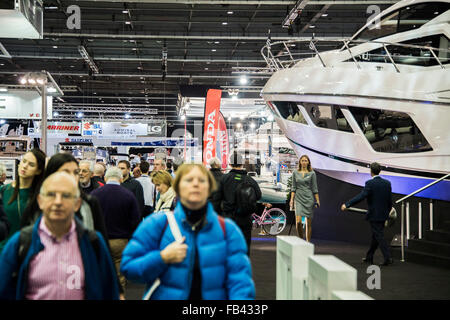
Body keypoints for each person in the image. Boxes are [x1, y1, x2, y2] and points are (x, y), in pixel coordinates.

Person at [120, 163, 255, 300]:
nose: (195, 184)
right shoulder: (157, 224)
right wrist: (162, 257)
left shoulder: (228, 230)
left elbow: (241, 283)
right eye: (188, 180)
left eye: (201, 180)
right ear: (177, 187)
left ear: (209, 189)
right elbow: (129, 267)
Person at [0, 172, 119, 300]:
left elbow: (109, 291)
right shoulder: (20, 243)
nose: (58, 202)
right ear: (40, 201)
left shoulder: (93, 242)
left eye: (66, 196)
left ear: (77, 204)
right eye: (51, 195)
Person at [91, 167, 141, 292]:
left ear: (105, 178)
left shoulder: (95, 194)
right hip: (121, 241)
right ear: (121, 179)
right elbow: (135, 221)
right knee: (120, 276)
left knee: (100, 273)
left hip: (99, 240)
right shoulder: (128, 196)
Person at [341, 162, 393, 266]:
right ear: (379, 171)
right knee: (376, 236)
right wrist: (387, 213)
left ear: (371, 171)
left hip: (374, 215)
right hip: (383, 214)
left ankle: (388, 258)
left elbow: (361, 196)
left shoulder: (370, 183)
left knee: (379, 236)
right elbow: (389, 201)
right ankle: (369, 257)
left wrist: (347, 204)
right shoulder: (387, 183)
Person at [212, 151, 261, 255]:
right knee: (244, 248)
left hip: (227, 218)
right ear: (242, 163)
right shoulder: (249, 180)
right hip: (245, 219)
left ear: (230, 164)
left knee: (227, 248)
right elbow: (258, 195)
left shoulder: (224, 179)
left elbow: (216, 200)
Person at [0, 148, 46, 253]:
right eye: (24, 161)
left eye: (31, 164)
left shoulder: (41, 196)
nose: (25, 166)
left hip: (28, 253)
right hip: (3, 252)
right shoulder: (4, 191)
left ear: (38, 170)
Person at [289, 155, 320, 242]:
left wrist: (317, 200)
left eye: (306, 160)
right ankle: (300, 240)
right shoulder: (295, 172)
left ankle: (307, 242)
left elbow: (315, 188)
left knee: (308, 223)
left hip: (309, 198)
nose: (304, 162)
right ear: (300, 162)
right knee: (298, 222)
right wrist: (291, 200)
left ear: (308, 162)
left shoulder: (312, 173)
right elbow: (293, 188)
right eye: (302, 160)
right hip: (298, 198)